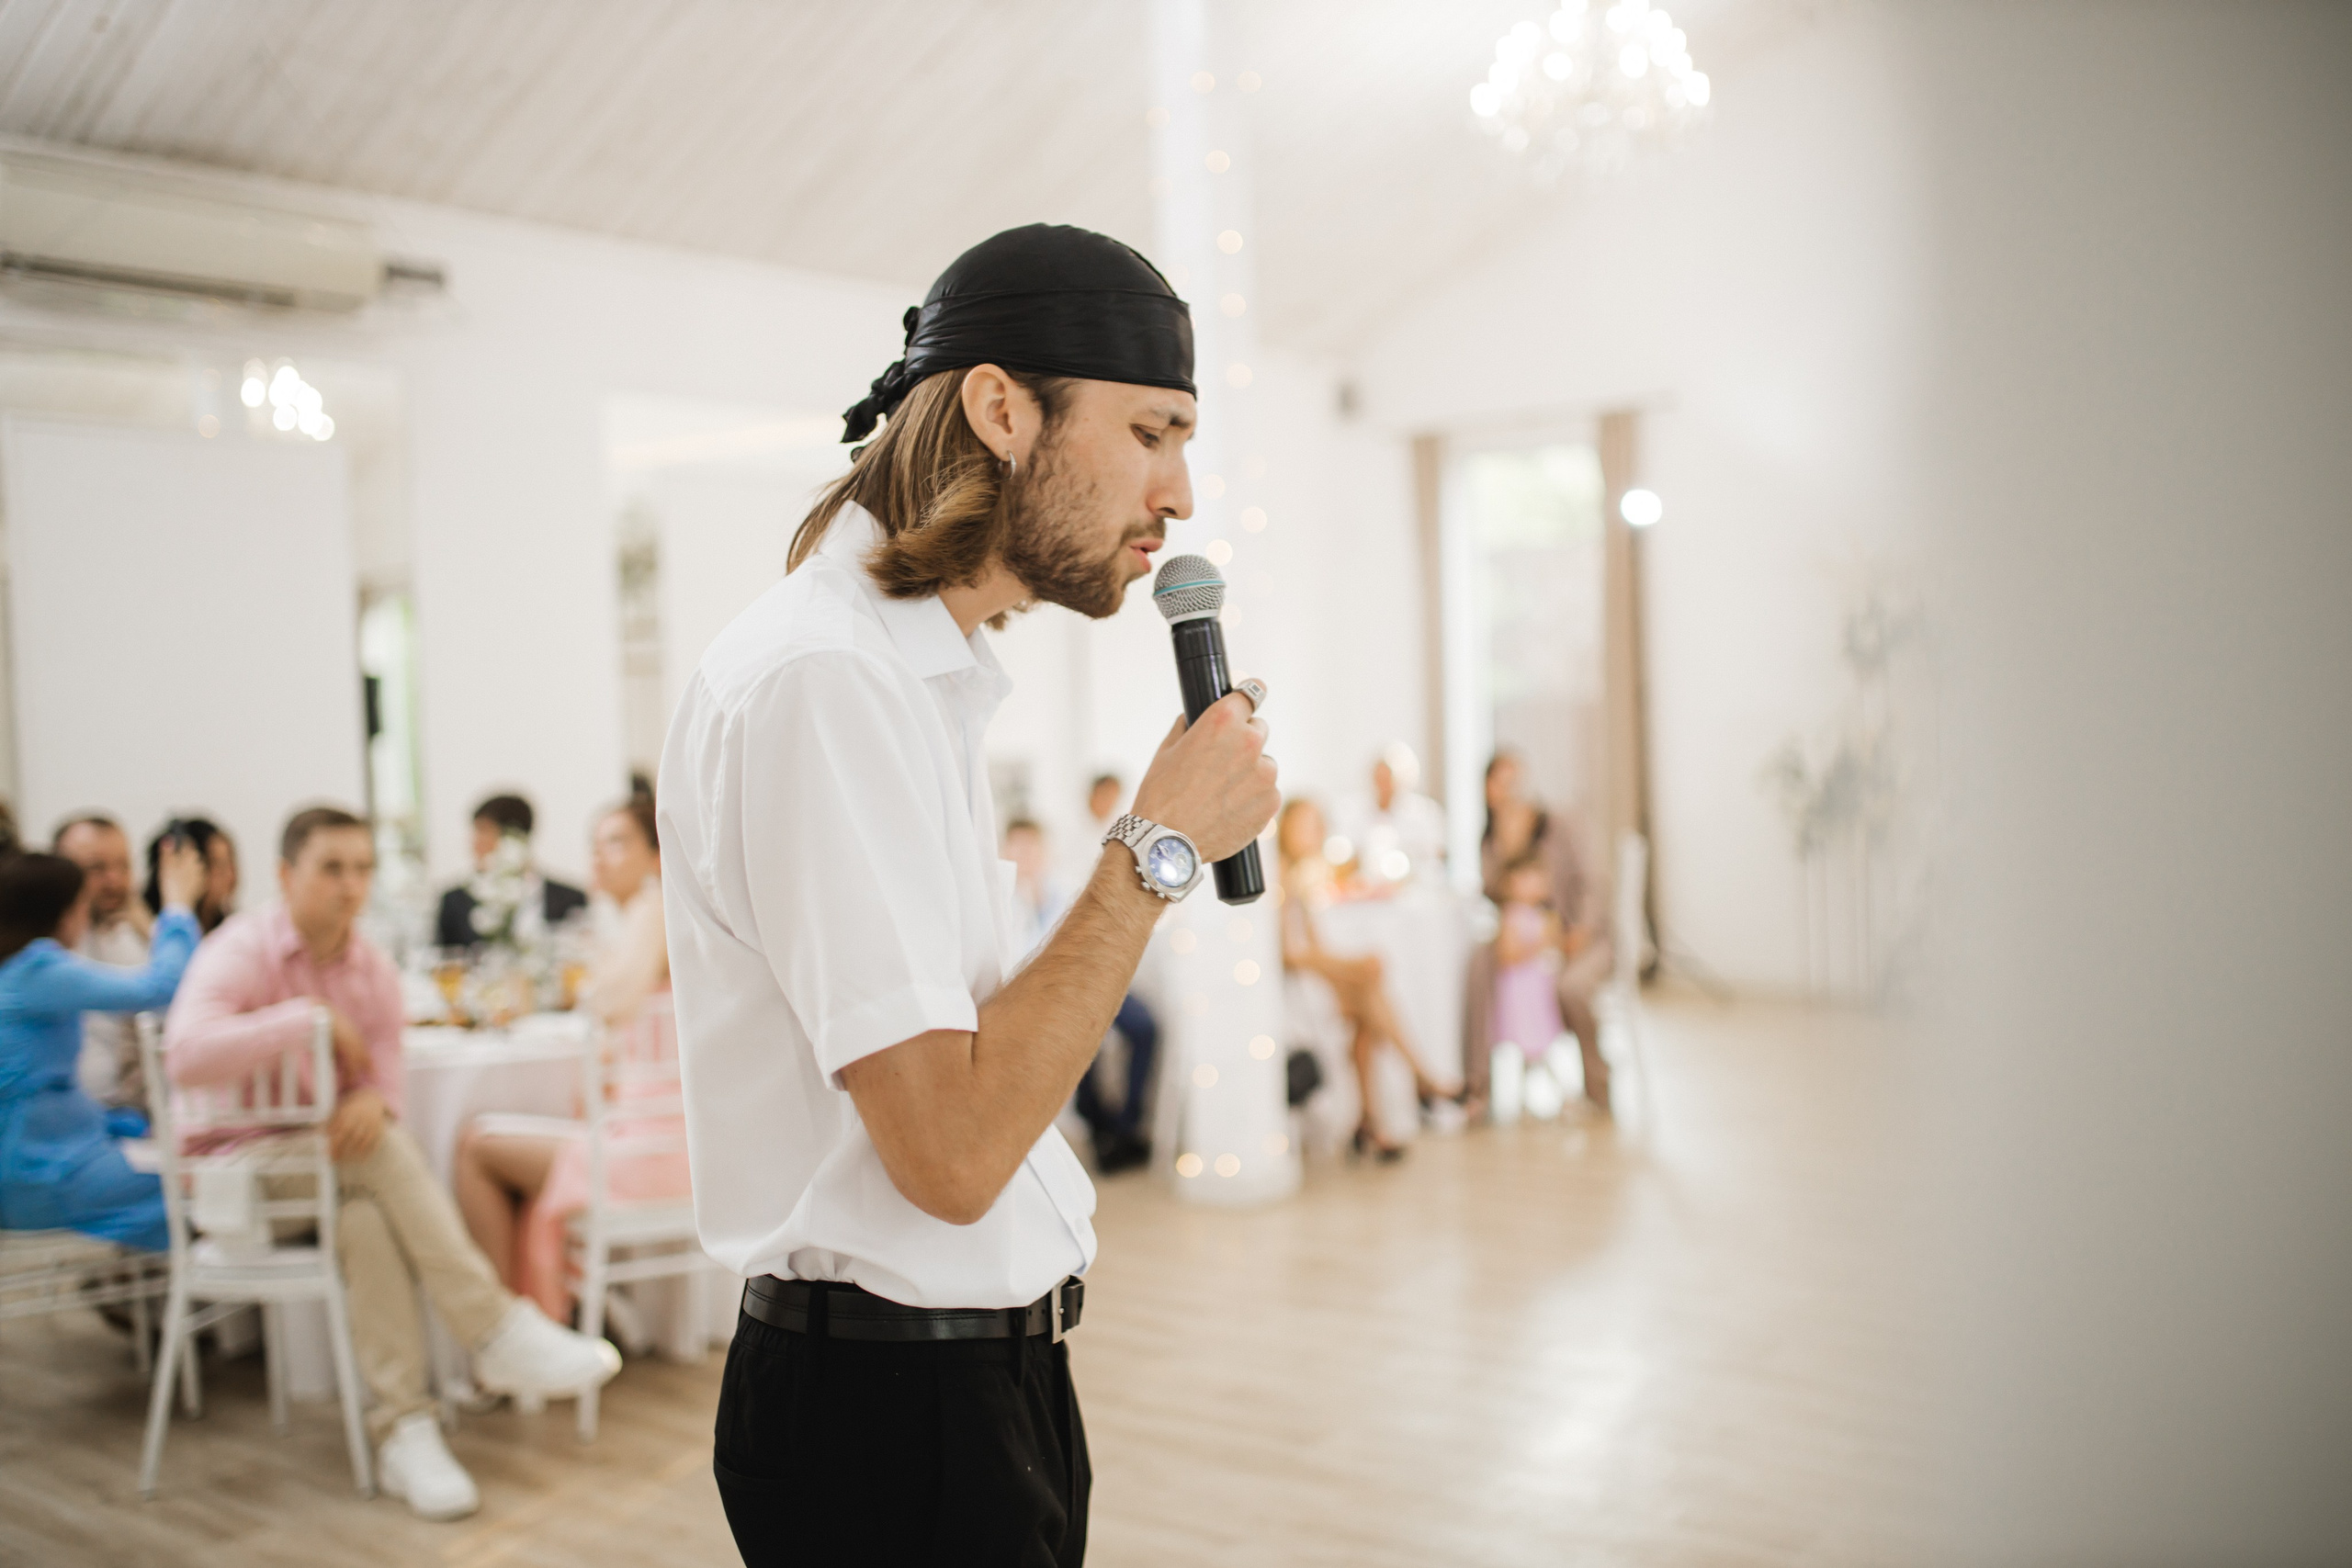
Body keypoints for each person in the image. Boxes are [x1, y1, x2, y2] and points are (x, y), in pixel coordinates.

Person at [663, 223, 1277, 1565]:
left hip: (975, 1386)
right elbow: (947, 1149)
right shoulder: (825, 682)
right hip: (889, 1417)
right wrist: (1155, 851)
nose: (1177, 492)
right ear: (1004, 408)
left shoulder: (909, 674)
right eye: (1150, 431)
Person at [165, 806, 621, 1523]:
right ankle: (494, 1329)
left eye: (363, 868)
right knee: (374, 1157)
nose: (352, 886)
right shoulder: (241, 948)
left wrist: (373, 1100)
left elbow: (388, 1087)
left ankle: (405, 1430)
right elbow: (184, 1054)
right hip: (236, 1172)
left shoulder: (370, 965)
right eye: (332, 868)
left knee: (368, 1213)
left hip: (332, 1173)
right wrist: (307, 1017)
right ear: (286, 874)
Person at [452, 793, 685, 1323]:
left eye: (617, 842)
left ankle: (505, 1325)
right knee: (499, 1140)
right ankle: (531, 1316)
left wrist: (594, 981)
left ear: (655, 856)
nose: (598, 857)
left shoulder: (656, 907)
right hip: (659, 1138)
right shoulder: (631, 919)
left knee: (476, 1145)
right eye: (595, 845)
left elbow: (612, 1003)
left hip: (654, 1148)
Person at [0, 839, 206, 1249]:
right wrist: (179, 905)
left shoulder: (17, 972)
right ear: (63, 912)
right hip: (45, 1176)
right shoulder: (37, 969)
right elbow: (162, 986)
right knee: (209, 1190)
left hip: (34, 1169)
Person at [1274, 798, 1442, 1161]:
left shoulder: (1299, 878)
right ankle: (1419, 1078)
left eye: (1317, 824)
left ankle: (1370, 1121)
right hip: (1291, 993)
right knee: (1368, 988)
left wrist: (1350, 969)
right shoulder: (1279, 877)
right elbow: (1291, 954)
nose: (1313, 833)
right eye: (1304, 824)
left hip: (1308, 980)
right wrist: (1351, 968)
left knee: (1368, 1003)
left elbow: (1315, 946)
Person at [1463, 750, 1612, 1117]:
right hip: (1530, 941)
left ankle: (1598, 1088)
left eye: (1514, 781)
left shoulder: (1563, 824)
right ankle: (1477, 1085)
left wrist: (1580, 930)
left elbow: (1593, 883)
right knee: (1479, 964)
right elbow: (1494, 896)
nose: (1508, 791)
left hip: (1587, 938)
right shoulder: (1493, 838)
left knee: (1570, 987)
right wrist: (1508, 842)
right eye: (1499, 783)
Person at [1005, 818, 1158, 1175]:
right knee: (1078, 1039)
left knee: (1145, 1026)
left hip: (1094, 981)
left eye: (1031, 847)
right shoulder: (1002, 901)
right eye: (1017, 847)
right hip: (1043, 995)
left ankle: (1128, 1124)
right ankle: (1098, 1125)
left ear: (1044, 851)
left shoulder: (1068, 892)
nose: (1025, 856)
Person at [51, 815, 155, 1119]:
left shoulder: (134, 938)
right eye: (97, 869)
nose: (115, 881)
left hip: (134, 1116)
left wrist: (150, 931)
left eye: (124, 867)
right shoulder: (40, 951)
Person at [434, 793, 588, 951]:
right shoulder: (454, 901)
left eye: (484, 831)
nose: (474, 844)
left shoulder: (571, 899)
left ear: (515, 838)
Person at [1334, 743, 1449, 888]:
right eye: (1379, 777)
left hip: (1413, 889)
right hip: (1366, 890)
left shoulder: (1425, 813)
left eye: (1389, 778)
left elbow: (1435, 856)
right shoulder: (1352, 812)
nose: (1384, 784)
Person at [142, 816, 240, 933]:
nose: (231, 877)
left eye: (231, 864)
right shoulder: (149, 927)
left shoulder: (233, 929)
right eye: (220, 867)